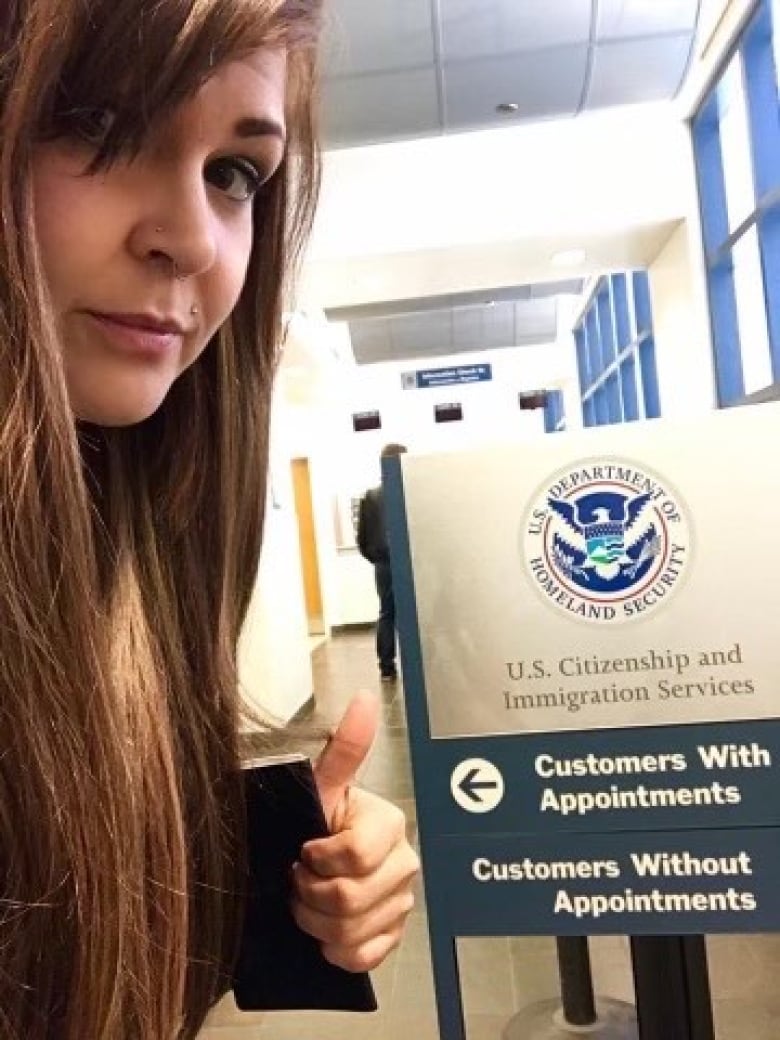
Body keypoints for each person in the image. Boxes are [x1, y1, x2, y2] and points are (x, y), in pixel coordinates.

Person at [0, 2, 419, 1038]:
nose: (190, 238)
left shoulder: (131, 558)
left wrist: (280, 870)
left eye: (235, 174)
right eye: (99, 121)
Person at [357, 444, 408, 682]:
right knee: (410, 613)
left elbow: (362, 540)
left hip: (383, 566)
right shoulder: (409, 492)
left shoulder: (370, 496)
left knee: (386, 614)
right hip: (407, 563)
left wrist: (377, 559)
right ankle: (412, 662)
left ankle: (386, 667)